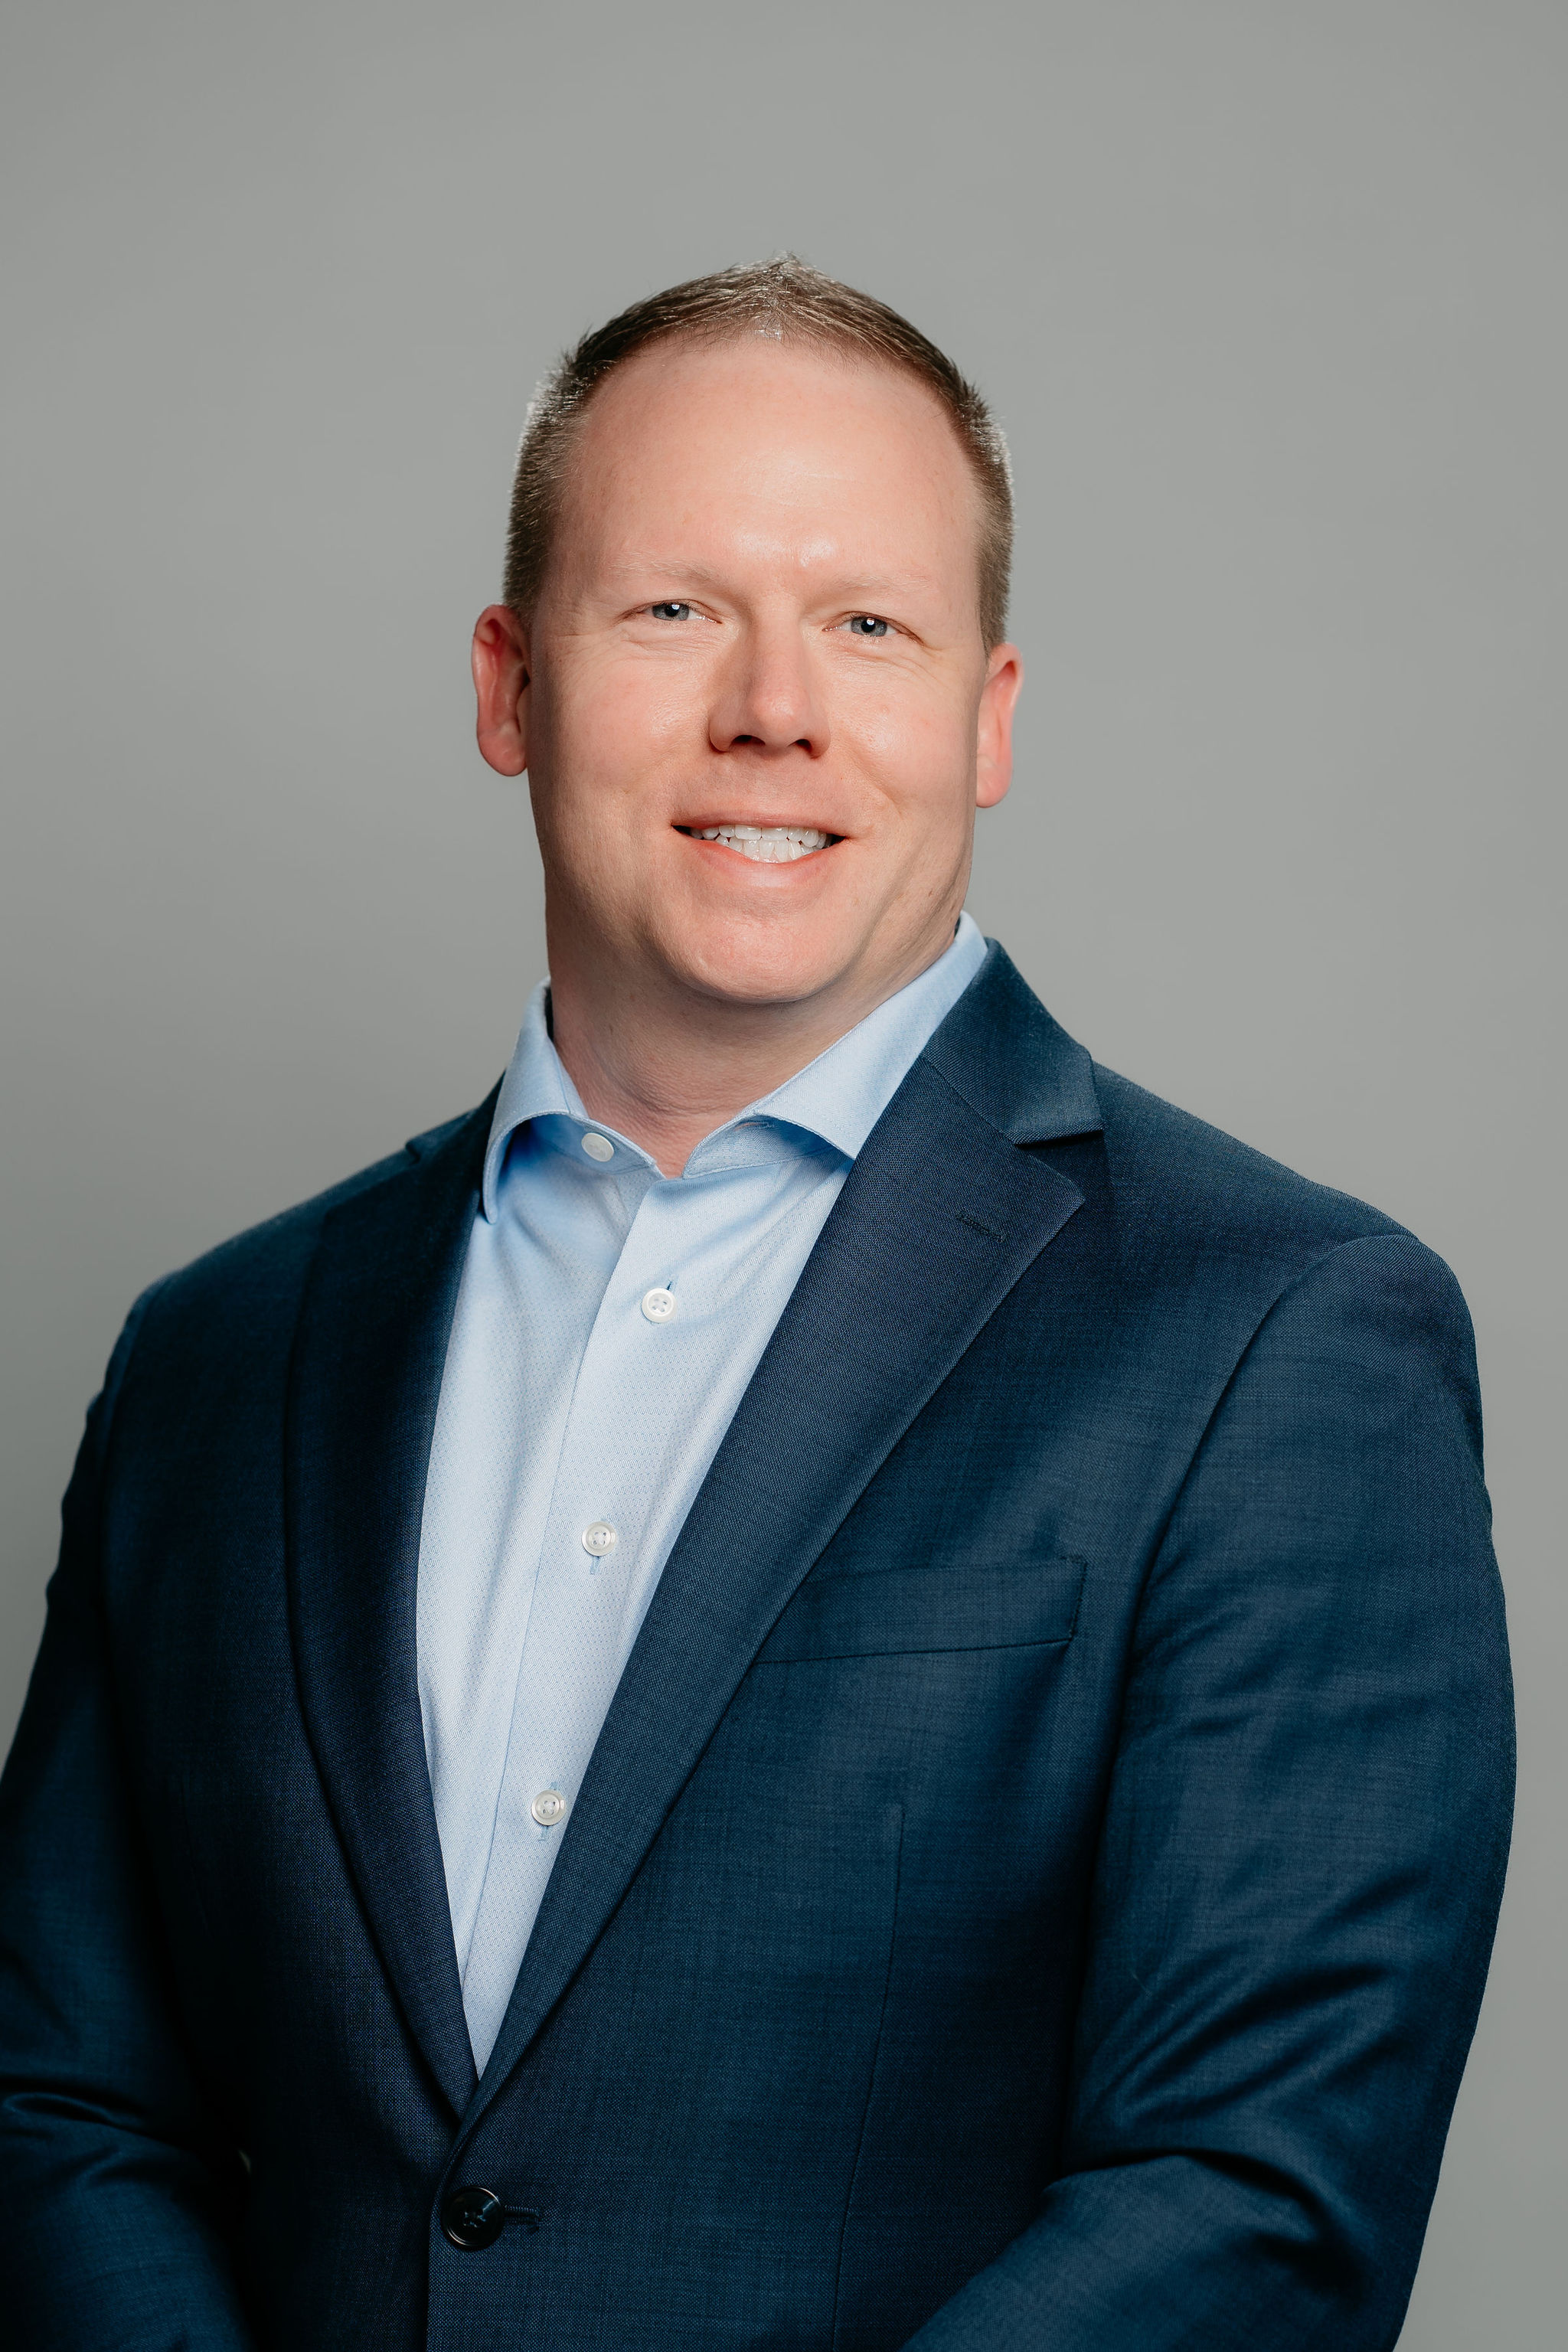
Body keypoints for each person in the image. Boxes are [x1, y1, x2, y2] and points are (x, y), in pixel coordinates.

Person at [0, 257, 1512, 2351]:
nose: (773, 707)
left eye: (869, 624)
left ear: (987, 718)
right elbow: (63, 2103)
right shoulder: (219, 1359)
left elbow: (1259, 2195)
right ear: (508, 685)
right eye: (673, 609)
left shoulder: (1279, 1338)